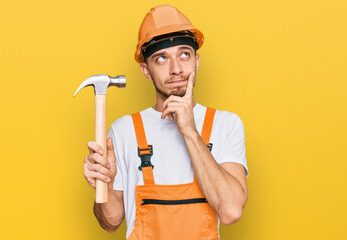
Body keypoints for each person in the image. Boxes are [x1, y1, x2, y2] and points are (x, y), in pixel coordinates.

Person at [83, 5, 248, 240]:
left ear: (197, 61)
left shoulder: (225, 125)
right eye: (161, 58)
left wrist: (189, 130)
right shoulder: (124, 130)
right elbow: (110, 222)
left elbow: (231, 211)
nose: (176, 69)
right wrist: (105, 185)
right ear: (146, 70)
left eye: (184, 54)